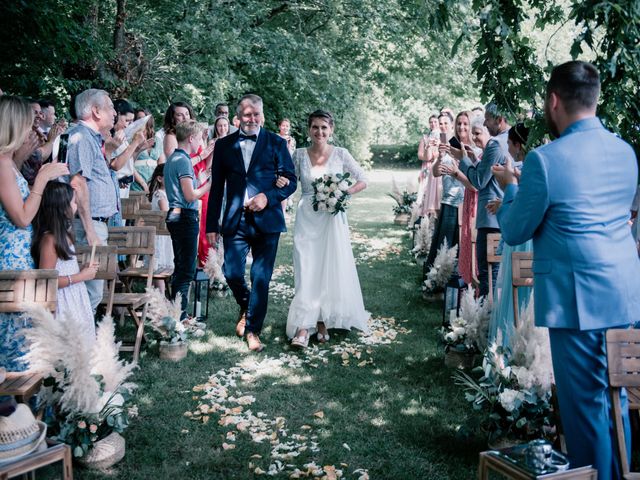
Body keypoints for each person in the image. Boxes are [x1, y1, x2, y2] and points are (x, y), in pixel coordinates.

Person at [492, 60, 640, 480]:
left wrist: (511, 188)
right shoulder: (626, 152)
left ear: (553, 101)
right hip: (626, 294)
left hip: (577, 300)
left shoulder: (545, 160)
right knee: (617, 404)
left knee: (585, 411)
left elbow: (518, 226)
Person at [206, 94, 297, 352]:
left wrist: (267, 197)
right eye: (247, 115)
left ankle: (253, 329)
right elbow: (216, 190)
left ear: (262, 115)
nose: (252, 119)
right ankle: (247, 305)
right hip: (235, 220)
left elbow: (290, 180)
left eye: (256, 114)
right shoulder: (224, 146)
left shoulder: (276, 143)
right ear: (238, 117)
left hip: (267, 222)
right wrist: (211, 225)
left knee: (260, 277)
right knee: (232, 272)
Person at [286, 110, 370, 348]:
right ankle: (303, 325)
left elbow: (362, 178)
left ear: (331, 130)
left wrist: (344, 192)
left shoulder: (341, 154)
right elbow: (289, 182)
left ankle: (322, 320)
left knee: (328, 267)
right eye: (315, 127)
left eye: (324, 127)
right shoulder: (299, 155)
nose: (319, 132)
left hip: (332, 219)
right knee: (306, 267)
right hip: (307, 217)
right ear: (308, 130)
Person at [0, 96, 68, 371]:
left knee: (27, 335)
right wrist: (42, 178)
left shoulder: (9, 161)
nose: (33, 130)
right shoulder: (2, 163)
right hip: (9, 260)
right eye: (28, 124)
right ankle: (14, 406)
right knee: (18, 338)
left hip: (19, 257)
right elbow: (21, 217)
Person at [67, 88, 119, 311]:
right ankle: (79, 343)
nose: (115, 113)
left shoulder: (92, 138)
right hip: (88, 225)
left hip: (97, 224)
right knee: (89, 293)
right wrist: (90, 231)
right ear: (96, 111)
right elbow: (78, 183)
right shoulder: (81, 137)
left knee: (94, 292)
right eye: (110, 107)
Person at [31, 181, 98, 343]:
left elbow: (63, 267)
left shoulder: (64, 234)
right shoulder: (49, 239)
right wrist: (81, 276)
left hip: (74, 295)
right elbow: (46, 281)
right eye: (74, 202)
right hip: (61, 301)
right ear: (61, 207)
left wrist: (81, 269)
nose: (76, 206)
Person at [486, 123, 533, 345]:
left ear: (516, 144)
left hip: (522, 238)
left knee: (514, 292)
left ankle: (509, 344)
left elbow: (523, 204)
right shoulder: (532, 168)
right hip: (530, 237)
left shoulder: (524, 169)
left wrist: (507, 188)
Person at [459, 102, 511, 298]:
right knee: (497, 273)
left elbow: (480, 181)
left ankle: (484, 320)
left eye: (488, 119)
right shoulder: (513, 139)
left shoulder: (496, 143)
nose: (486, 123)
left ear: (499, 120)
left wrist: (464, 161)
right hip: (506, 214)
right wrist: (475, 162)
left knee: (488, 273)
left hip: (491, 218)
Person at [164, 120, 211, 318]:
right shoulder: (182, 160)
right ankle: (180, 318)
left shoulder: (175, 158)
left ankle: (177, 314)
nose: (200, 142)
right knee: (186, 271)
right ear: (191, 138)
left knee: (181, 267)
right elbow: (191, 195)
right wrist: (211, 184)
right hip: (185, 216)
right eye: (199, 138)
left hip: (176, 215)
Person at [146, 164, 174, 294]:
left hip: (166, 237)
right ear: (160, 179)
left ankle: (157, 301)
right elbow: (166, 212)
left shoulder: (168, 194)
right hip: (159, 237)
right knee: (158, 271)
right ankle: (160, 301)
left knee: (162, 271)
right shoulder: (159, 195)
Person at [417, 114, 442, 217]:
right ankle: (423, 217)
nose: (433, 124)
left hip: (437, 167)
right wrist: (428, 155)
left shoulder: (443, 137)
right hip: (427, 168)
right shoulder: (425, 138)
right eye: (431, 122)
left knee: (437, 193)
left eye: (435, 122)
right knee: (424, 191)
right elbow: (420, 155)